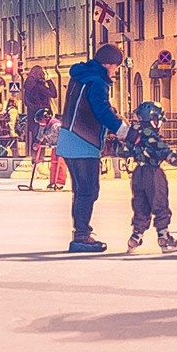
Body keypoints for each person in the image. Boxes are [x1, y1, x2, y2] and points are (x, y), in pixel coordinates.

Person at [55, 45, 127, 253]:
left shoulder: (82, 77)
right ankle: (81, 236)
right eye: (115, 67)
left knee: (81, 191)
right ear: (109, 64)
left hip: (69, 138)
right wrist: (123, 131)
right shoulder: (97, 81)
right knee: (88, 190)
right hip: (83, 142)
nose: (115, 71)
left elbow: (91, 107)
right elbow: (101, 111)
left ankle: (81, 232)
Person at [120, 102, 177, 253]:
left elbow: (123, 152)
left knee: (140, 203)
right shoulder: (153, 138)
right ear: (153, 119)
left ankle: (136, 236)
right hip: (154, 174)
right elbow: (169, 155)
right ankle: (163, 236)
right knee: (159, 203)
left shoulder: (134, 134)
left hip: (138, 174)